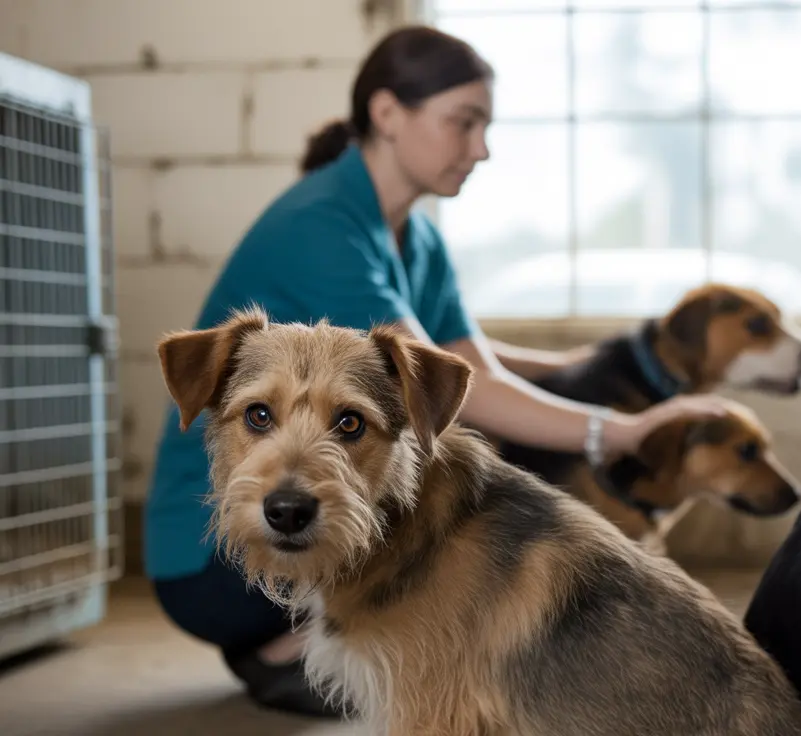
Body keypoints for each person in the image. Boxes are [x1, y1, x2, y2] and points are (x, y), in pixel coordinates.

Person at [143, 24, 740, 719]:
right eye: (464, 123)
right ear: (389, 114)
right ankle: (318, 642)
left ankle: (356, 638)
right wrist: (622, 430)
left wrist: (582, 365)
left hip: (323, 507)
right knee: (468, 455)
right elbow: (477, 391)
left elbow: (464, 357)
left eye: (484, 127)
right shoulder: (321, 224)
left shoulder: (416, 233)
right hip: (204, 560)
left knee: (457, 453)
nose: (480, 148)